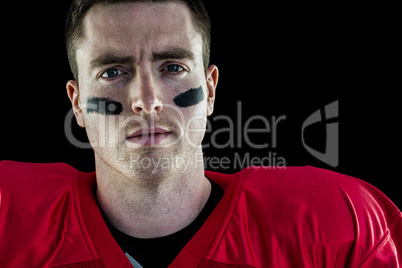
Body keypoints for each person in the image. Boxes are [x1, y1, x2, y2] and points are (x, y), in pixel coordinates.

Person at [0, 0, 401, 267]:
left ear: (209, 90)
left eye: (172, 67)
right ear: (76, 103)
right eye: (112, 72)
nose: (147, 100)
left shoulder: (333, 226)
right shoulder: (10, 221)